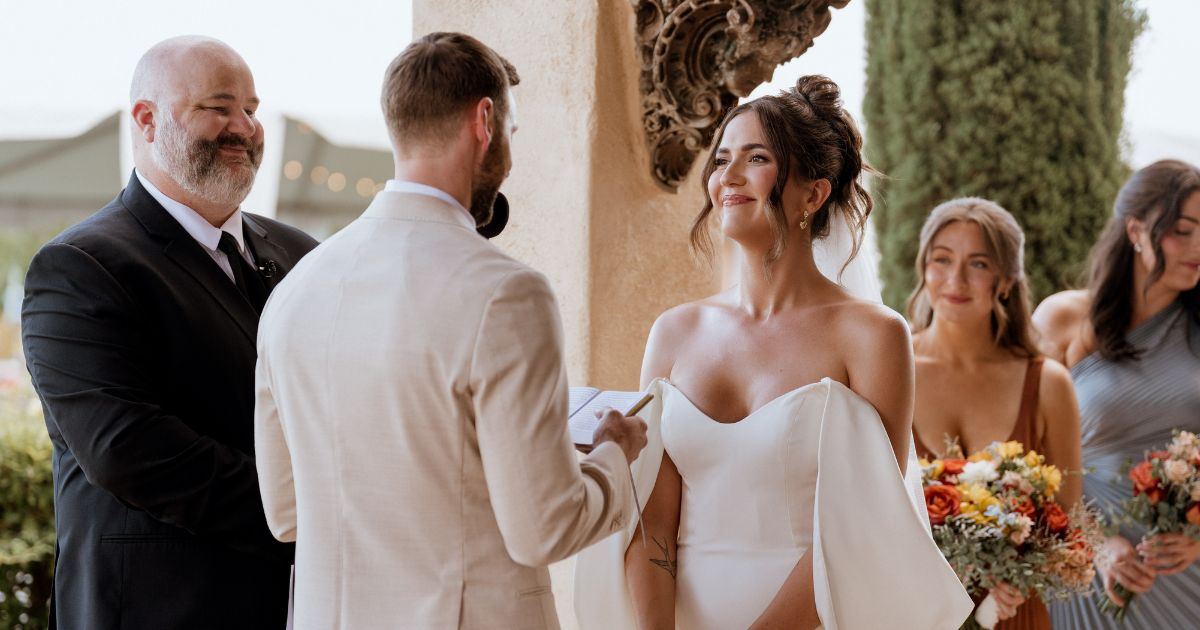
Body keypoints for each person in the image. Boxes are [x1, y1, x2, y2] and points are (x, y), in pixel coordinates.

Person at [253, 32, 648, 629]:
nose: (510, 155)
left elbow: (286, 512)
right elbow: (544, 527)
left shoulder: (293, 293)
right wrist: (616, 455)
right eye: (512, 133)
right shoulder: (507, 293)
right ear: (484, 121)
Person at [574, 76, 972, 629]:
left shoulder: (873, 336)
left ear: (814, 193)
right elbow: (654, 521)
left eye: (755, 158)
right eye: (721, 159)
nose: (727, 177)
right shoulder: (674, 332)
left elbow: (859, 525)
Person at [20, 36, 317, 629]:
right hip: (158, 609)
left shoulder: (301, 253)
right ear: (147, 120)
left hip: (303, 604)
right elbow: (130, 451)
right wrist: (313, 511)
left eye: (252, 110)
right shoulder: (81, 266)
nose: (244, 128)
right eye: (218, 107)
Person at [1036, 159, 1200, 629]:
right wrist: (1096, 545)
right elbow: (1029, 454)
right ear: (1136, 229)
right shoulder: (1062, 320)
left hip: (1184, 575)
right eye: (1183, 230)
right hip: (1084, 564)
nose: (1197, 247)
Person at [907, 197, 1083, 628]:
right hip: (913, 611)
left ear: (1005, 280)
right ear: (924, 268)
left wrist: (1020, 579)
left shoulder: (1048, 383)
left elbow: (1068, 525)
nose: (956, 279)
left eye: (979, 264)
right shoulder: (891, 369)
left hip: (1014, 614)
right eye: (942, 260)